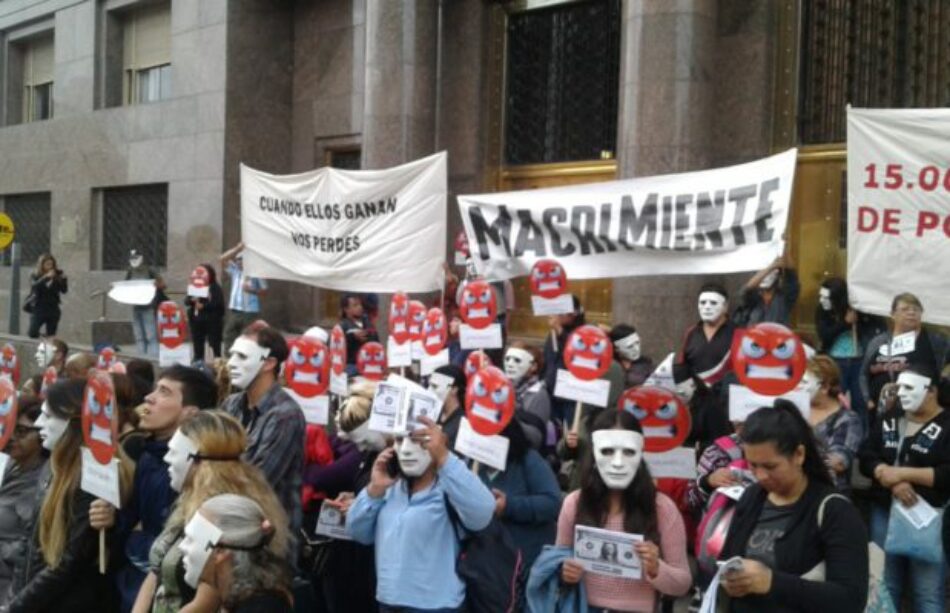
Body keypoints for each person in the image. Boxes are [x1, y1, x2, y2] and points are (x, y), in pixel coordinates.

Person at [88, 365, 218, 613]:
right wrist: (112, 519)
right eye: (155, 388)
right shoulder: (147, 455)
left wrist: (136, 539)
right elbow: (133, 520)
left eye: (165, 392)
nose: (149, 397)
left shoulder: (198, 470)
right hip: (128, 588)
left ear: (190, 413)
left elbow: (171, 549)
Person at [719, 401, 868, 612]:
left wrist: (772, 582)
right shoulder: (752, 497)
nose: (760, 476)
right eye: (752, 465)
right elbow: (728, 557)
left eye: (771, 466)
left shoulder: (835, 511)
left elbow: (851, 600)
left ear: (799, 455)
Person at [134, 410, 288, 613]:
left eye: (175, 452)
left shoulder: (217, 515)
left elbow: (207, 600)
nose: (167, 459)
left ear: (199, 460)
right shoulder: (188, 500)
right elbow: (156, 572)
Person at [9, 380, 133, 613]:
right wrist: (14, 597)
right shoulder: (53, 465)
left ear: (72, 421)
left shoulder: (93, 479)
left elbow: (67, 564)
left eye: (48, 416)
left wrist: (17, 606)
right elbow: (29, 541)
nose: (38, 423)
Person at [346, 417, 495, 611]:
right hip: (388, 603)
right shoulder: (390, 486)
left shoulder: (449, 488)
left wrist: (444, 458)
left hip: (436, 606)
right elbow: (357, 532)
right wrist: (374, 491)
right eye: (400, 440)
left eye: (418, 440)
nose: (407, 449)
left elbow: (482, 513)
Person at [558, 409, 692, 611]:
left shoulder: (662, 509)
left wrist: (657, 569)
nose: (618, 463)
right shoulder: (574, 503)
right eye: (608, 451)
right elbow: (555, 563)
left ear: (640, 454)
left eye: (628, 452)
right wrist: (565, 572)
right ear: (594, 453)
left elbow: (682, 584)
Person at [859, 365, 950, 612]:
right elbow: (866, 453)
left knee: (928, 593)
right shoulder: (890, 417)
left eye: (909, 387)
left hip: (928, 517)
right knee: (885, 586)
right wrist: (885, 474)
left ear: (931, 391)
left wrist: (901, 473)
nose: (901, 394)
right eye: (899, 387)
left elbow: (946, 474)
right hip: (884, 511)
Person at [221, 326, 305, 533]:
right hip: (230, 525)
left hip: (269, 537)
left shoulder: (285, 416)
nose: (230, 363)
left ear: (269, 363)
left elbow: (256, 481)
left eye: (241, 356)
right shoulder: (231, 404)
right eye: (231, 355)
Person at [318, 381, 384, 613]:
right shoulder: (372, 453)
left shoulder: (398, 460)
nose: (363, 447)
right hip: (359, 559)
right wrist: (356, 497)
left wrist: (362, 501)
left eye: (365, 440)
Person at [179, 494, 293, 612]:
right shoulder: (237, 599)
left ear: (220, 551)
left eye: (191, 540)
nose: (182, 547)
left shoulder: (259, 608)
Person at [473, 417, 560, 570]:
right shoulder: (473, 465)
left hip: (526, 563)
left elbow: (552, 502)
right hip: (488, 565)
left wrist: (509, 506)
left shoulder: (527, 460)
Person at [861, 292, 947, 417]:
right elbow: (863, 373)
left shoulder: (936, 341)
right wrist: (868, 400)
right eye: (905, 309)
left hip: (922, 413)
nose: (911, 313)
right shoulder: (878, 342)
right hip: (882, 412)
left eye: (916, 309)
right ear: (892, 314)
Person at [814, 277, 885, 423]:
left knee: (860, 402)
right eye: (820, 296)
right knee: (835, 398)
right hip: (835, 361)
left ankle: (863, 439)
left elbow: (874, 331)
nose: (822, 300)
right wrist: (845, 323)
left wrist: (858, 319)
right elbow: (825, 336)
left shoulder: (856, 309)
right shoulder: (822, 311)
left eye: (826, 297)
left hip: (858, 361)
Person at [677, 283, 735, 450]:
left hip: (724, 407)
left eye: (713, 303)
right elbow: (683, 366)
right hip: (695, 406)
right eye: (703, 303)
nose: (707, 307)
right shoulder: (691, 332)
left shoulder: (739, 334)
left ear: (725, 306)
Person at [0, 399, 45, 607]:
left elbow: (36, 545)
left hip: (9, 588)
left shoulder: (41, 482)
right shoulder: (9, 464)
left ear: (42, 435)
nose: (12, 437)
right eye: (10, 428)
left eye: (22, 431)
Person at [796, 356, 862, 493]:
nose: (799, 387)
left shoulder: (848, 419)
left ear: (825, 387)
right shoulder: (796, 412)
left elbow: (839, 462)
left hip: (828, 492)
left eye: (804, 382)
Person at [542, 295, 585, 424]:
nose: (557, 316)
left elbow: (578, 353)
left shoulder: (583, 332)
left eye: (561, 312)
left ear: (574, 313)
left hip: (570, 392)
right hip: (551, 388)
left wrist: (560, 331)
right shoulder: (553, 334)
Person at [503, 343, 551, 450]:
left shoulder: (539, 394)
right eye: (507, 359)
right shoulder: (502, 389)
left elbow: (536, 438)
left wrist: (509, 422)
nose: (510, 364)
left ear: (533, 366)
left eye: (517, 360)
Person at [221, 242, 268, 351]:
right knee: (229, 334)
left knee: (247, 338)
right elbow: (222, 259)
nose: (237, 262)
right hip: (235, 310)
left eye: (240, 260)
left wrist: (252, 290)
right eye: (237, 260)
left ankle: (244, 359)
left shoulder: (256, 273)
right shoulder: (235, 271)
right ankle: (229, 360)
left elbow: (265, 291)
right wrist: (236, 249)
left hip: (249, 312)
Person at [732, 256, 800, 327]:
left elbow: (791, 273)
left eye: (770, 273)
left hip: (776, 336)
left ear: (777, 275)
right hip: (754, 336)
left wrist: (785, 250)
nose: (765, 277)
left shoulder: (784, 297)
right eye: (762, 273)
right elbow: (746, 289)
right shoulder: (753, 297)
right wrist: (770, 268)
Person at [126, 249, 168, 356]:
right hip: (136, 306)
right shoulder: (130, 271)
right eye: (132, 258)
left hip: (148, 307)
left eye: (136, 258)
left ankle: (153, 358)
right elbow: (125, 285)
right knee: (139, 336)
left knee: (151, 335)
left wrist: (153, 285)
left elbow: (163, 284)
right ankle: (141, 356)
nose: (134, 260)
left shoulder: (150, 270)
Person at [27, 253, 67, 339]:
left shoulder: (58, 275)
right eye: (47, 264)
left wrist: (63, 280)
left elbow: (64, 290)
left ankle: (48, 346)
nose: (50, 267)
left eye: (51, 264)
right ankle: (43, 338)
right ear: (42, 265)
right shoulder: (35, 275)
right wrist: (46, 277)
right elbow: (35, 287)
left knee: (51, 334)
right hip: (39, 308)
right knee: (32, 332)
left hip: (53, 308)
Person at [340, 294, 379, 375]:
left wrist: (370, 336)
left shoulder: (368, 323)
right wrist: (352, 337)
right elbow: (336, 348)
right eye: (355, 305)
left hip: (369, 365)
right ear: (346, 309)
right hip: (351, 366)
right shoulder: (342, 326)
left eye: (360, 304)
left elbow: (377, 343)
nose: (360, 307)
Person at [429, 364, 466, 446]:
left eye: (435, 386)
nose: (429, 391)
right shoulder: (433, 416)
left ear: (454, 389)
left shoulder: (464, 425)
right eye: (429, 386)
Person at [609, 323, 655, 387]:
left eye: (637, 343)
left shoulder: (646, 364)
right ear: (616, 348)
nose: (636, 349)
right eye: (630, 346)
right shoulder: (609, 365)